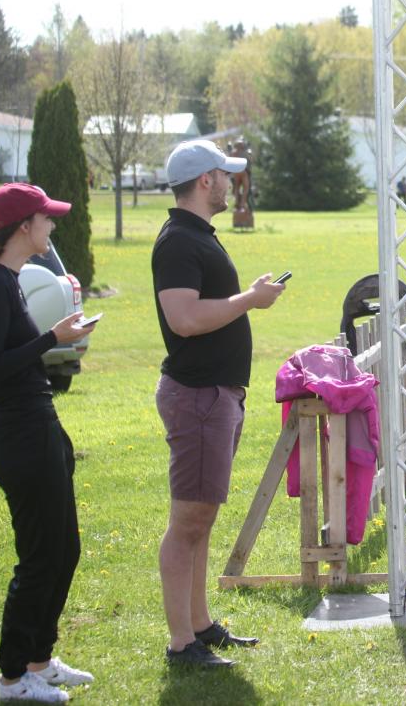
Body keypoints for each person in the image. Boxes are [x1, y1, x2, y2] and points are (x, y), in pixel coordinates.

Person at [152, 140, 286, 667]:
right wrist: (250, 300)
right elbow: (184, 319)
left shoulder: (196, 237)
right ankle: (181, 642)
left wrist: (247, 296)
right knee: (188, 520)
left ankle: (201, 625)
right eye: (225, 175)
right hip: (198, 396)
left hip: (215, 395)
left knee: (201, 517)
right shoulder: (178, 243)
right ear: (205, 181)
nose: (232, 183)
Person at [0, 183, 98, 702]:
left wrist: (50, 337)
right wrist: (51, 340)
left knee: (64, 550)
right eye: (47, 218)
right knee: (41, 557)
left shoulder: (11, 280)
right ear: (24, 226)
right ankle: (11, 678)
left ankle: (38, 661)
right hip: (18, 434)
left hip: (37, 427)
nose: (52, 226)